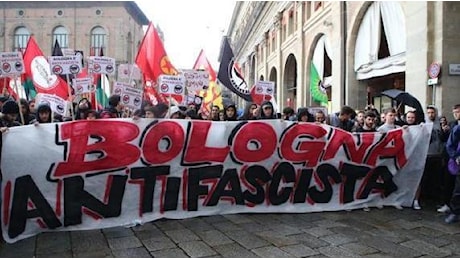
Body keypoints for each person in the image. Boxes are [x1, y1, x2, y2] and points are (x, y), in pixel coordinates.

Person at [444, 123, 460, 224]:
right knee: (458, 190)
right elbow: (450, 145)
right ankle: (456, 212)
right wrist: (456, 156)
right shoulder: (458, 128)